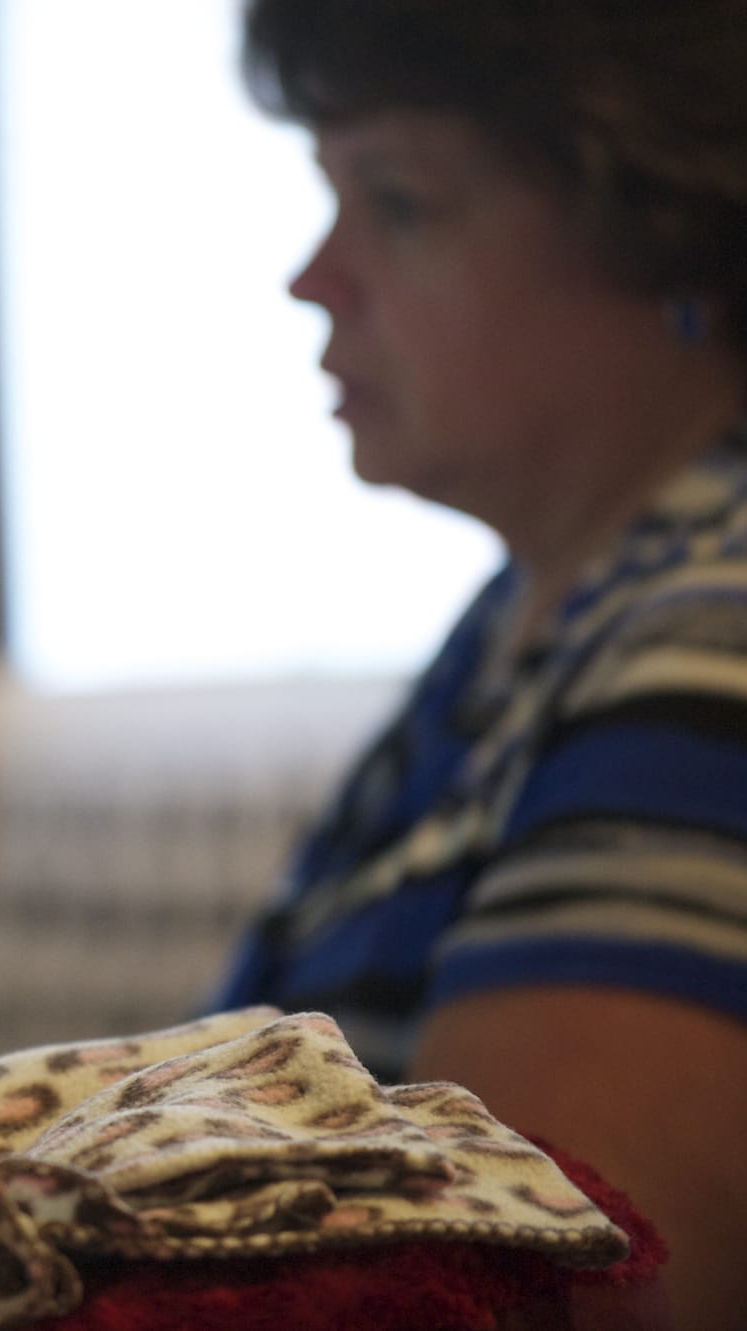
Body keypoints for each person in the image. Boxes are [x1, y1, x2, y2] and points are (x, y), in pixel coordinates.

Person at [208, 3, 747, 1328]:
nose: (314, 277)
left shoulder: (715, 634)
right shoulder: (532, 616)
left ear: (674, 233)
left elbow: (520, 1289)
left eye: (398, 202)